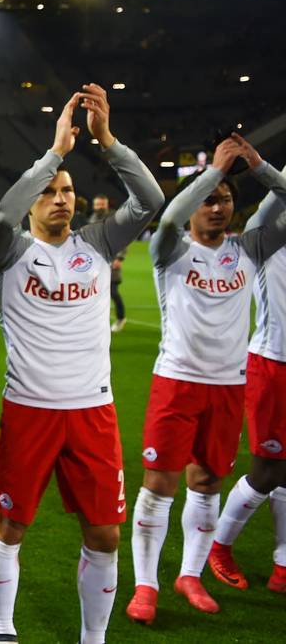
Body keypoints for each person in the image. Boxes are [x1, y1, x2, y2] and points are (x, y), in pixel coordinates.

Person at [0, 86, 163, 644]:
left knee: (105, 535)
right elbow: (3, 213)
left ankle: (93, 637)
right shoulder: (11, 251)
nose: (60, 198)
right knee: (10, 524)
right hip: (29, 411)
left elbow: (151, 200)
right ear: (34, 201)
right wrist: (56, 154)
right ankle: (3, 629)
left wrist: (106, 141)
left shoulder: (97, 244)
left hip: (92, 413)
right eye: (49, 192)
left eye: (66, 191)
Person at [126, 134, 286, 622]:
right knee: (159, 485)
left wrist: (257, 165)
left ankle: (190, 575)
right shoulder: (170, 251)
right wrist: (214, 172)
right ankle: (146, 586)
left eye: (225, 200)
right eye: (209, 200)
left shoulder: (249, 248)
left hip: (229, 386)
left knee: (209, 482)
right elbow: (169, 218)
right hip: (177, 382)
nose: (218, 208)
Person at [208, 161, 286, 596]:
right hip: (272, 366)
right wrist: (261, 164)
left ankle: (283, 565)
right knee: (267, 471)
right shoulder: (262, 237)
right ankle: (219, 546)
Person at [88, 195, 128, 331]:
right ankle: (97, 321)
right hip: (96, 263)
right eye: (97, 204)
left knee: (113, 291)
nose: (99, 207)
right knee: (95, 293)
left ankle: (121, 318)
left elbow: (123, 238)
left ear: (106, 205)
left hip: (111, 261)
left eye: (102, 204)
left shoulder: (114, 219)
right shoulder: (92, 218)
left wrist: (119, 258)